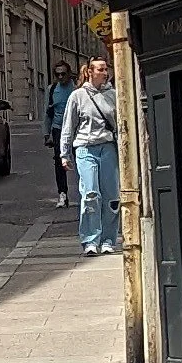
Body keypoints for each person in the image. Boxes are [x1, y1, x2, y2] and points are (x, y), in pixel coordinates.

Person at [60, 57, 124, 261]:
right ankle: (90, 240)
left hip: (108, 148)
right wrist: (64, 153)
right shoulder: (77, 96)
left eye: (106, 69)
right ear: (89, 72)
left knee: (112, 196)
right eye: (100, 69)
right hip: (85, 149)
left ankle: (108, 240)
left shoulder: (113, 95)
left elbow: (121, 125)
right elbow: (68, 126)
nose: (104, 73)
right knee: (90, 194)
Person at [43, 65, 73, 207]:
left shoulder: (76, 88)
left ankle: (85, 192)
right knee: (59, 161)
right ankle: (62, 193)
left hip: (76, 129)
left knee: (80, 159)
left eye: (63, 74)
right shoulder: (52, 89)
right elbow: (48, 113)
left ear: (69, 74)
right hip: (58, 129)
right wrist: (46, 133)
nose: (60, 77)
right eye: (57, 74)